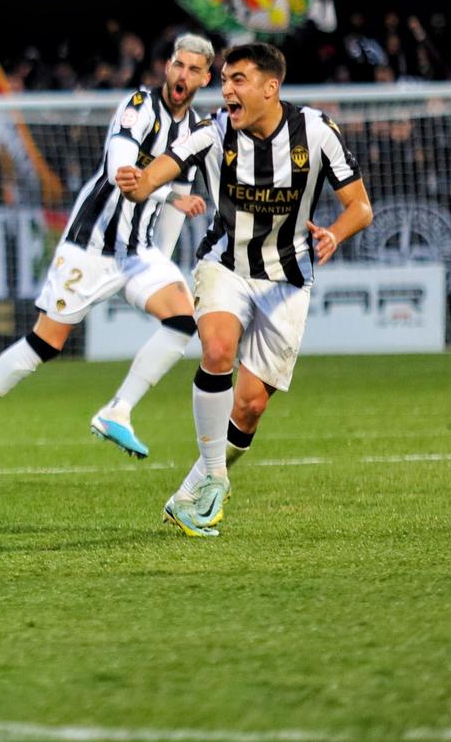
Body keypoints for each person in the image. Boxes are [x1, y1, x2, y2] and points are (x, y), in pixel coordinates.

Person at [117, 42, 373, 537]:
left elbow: (360, 206)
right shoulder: (215, 131)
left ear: (269, 87)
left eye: (237, 80)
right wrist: (143, 182)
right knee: (216, 348)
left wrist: (335, 234)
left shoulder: (316, 132)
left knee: (250, 406)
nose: (226, 88)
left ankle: (194, 490)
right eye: (225, 80)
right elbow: (169, 162)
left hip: (289, 277)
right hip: (225, 264)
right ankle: (214, 476)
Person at [0, 36, 217, 480]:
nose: (182, 76)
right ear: (167, 66)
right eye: (177, 65)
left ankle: (118, 411)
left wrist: (161, 269)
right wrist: (168, 194)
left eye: (193, 70)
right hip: (90, 246)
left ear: (206, 77)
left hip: (139, 252)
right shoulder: (139, 106)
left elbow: (180, 200)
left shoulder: (195, 131)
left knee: (184, 321)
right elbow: (120, 173)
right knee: (44, 346)